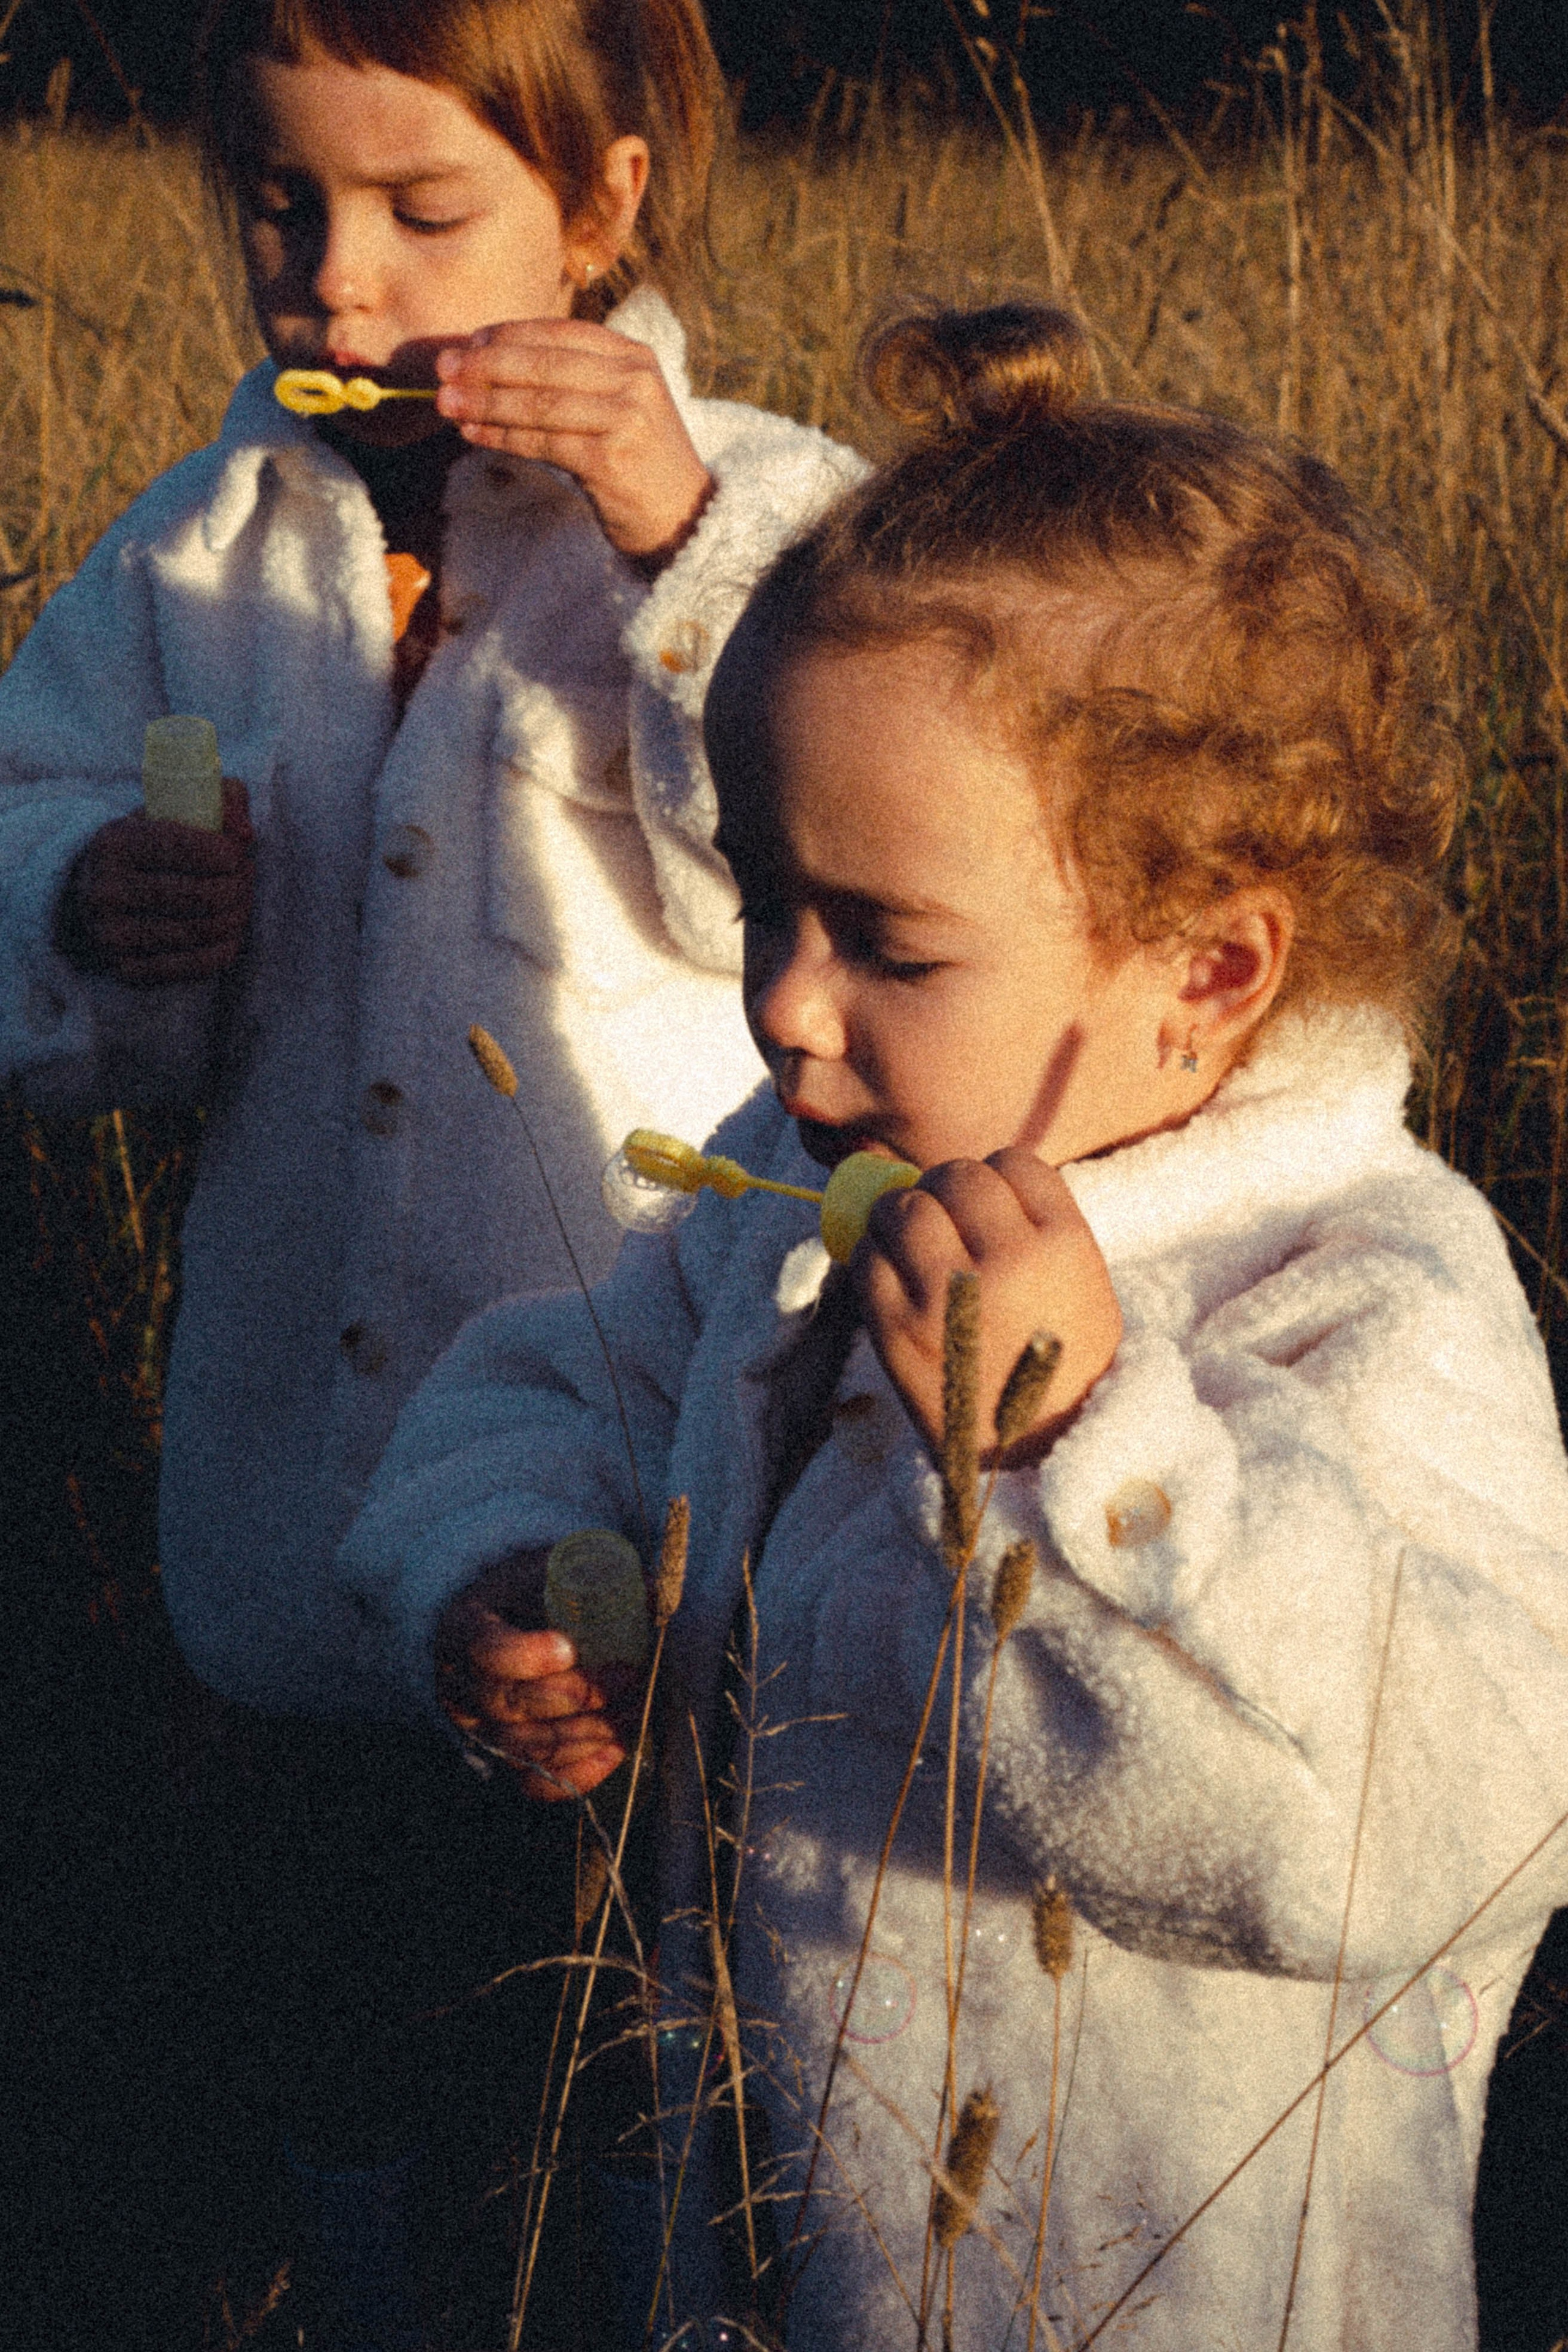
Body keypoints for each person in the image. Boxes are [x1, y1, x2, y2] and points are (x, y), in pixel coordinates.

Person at [342, 302, 1568, 2351]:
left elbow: (1425, 1824)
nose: (786, 1010)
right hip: (779, 2244)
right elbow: (570, 1379)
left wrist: (1095, 1442)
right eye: (766, 911)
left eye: (886, 945)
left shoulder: (1359, 1292)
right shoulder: (799, 1193)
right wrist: (510, 1571)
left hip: (1187, 2287)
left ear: (1208, 966)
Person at [0, 0, 861, 2338]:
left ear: (604, 211)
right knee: (318, 1981)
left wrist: (679, 539)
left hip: (618, 1468)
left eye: (423, 210)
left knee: (612, 2014)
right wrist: (83, 901)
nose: (339, 286)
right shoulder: (210, 532)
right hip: (287, 1472)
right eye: (285, 207)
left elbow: (821, 869)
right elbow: (31, 799)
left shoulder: (762, 511)